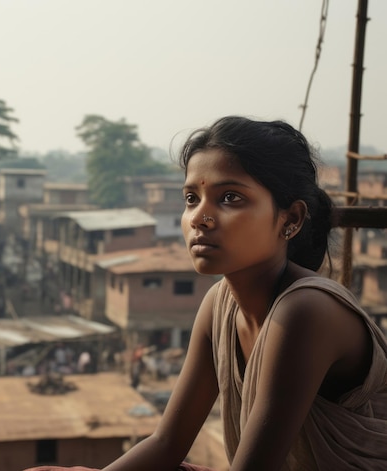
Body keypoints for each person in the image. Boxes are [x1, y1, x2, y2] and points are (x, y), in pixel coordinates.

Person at [23, 116, 387, 471]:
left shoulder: (306, 311)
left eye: (229, 197)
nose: (200, 217)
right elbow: (167, 443)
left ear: (290, 219)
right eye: (191, 198)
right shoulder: (219, 304)